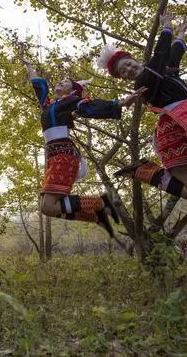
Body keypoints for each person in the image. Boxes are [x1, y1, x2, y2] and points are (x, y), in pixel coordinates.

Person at [19, 52, 146, 237]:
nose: (59, 83)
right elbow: (38, 86)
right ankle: (96, 216)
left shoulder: (71, 102)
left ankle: (100, 204)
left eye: (65, 82)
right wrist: (30, 67)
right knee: (47, 208)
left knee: (48, 206)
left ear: (71, 91)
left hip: (64, 156)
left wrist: (120, 103)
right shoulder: (48, 106)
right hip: (55, 156)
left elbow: (90, 106)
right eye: (59, 81)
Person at [98, 14, 187, 200]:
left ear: (135, 60)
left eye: (128, 64)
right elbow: (161, 54)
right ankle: (143, 171)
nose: (128, 69)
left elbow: (174, 54)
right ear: (124, 78)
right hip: (175, 128)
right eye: (123, 71)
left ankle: (145, 171)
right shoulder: (143, 83)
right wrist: (167, 26)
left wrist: (182, 33)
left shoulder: (162, 71)